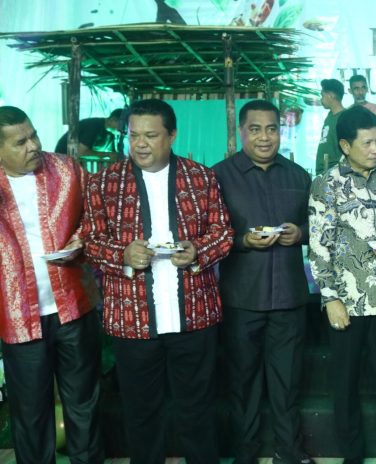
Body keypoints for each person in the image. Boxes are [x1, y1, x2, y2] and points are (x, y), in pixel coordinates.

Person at [82, 98, 233, 463]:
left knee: (197, 409)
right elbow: (90, 240)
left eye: (151, 135)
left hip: (194, 316)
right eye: (133, 135)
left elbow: (223, 232)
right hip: (132, 319)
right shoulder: (105, 182)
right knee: (141, 413)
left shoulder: (201, 177)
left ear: (172, 135)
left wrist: (197, 250)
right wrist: (122, 254)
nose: (140, 144)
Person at [0, 106, 103, 464]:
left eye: (33, 135)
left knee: (84, 404)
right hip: (18, 317)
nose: (33, 146)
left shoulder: (67, 169)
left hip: (73, 306)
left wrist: (81, 239)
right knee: (30, 413)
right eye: (20, 142)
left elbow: (96, 215)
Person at [309, 105, 376, 464]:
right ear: (345, 145)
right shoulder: (327, 184)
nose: (375, 149)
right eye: (367, 143)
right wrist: (330, 298)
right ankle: (352, 455)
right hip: (347, 302)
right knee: (345, 383)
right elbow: (319, 246)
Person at [213, 100, 313, 464]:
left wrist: (300, 233)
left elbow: (318, 226)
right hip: (242, 298)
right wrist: (242, 240)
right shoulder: (219, 176)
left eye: (271, 129)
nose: (264, 137)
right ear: (242, 131)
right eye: (255, 129)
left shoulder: (298, 175)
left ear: (280, 131)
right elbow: (211, 232)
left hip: (289, 297)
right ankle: (246, 454)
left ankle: (290, 452)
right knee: (243, 384)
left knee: (288, 383)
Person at [55, 108, 125, 159]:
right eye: (122, 126)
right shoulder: (93, 126)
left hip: (78, 163)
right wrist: (107, 155)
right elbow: (80, 152)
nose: (122, 129)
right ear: (113, 119)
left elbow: (112, 154)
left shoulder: (111, 134)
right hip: (63, 159)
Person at [315, 78, 345, 175]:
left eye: (322, 95)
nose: (321, 99)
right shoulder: (329, 116)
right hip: (323, 170)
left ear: (331, 95)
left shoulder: (345, 117)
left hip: (335, 172)